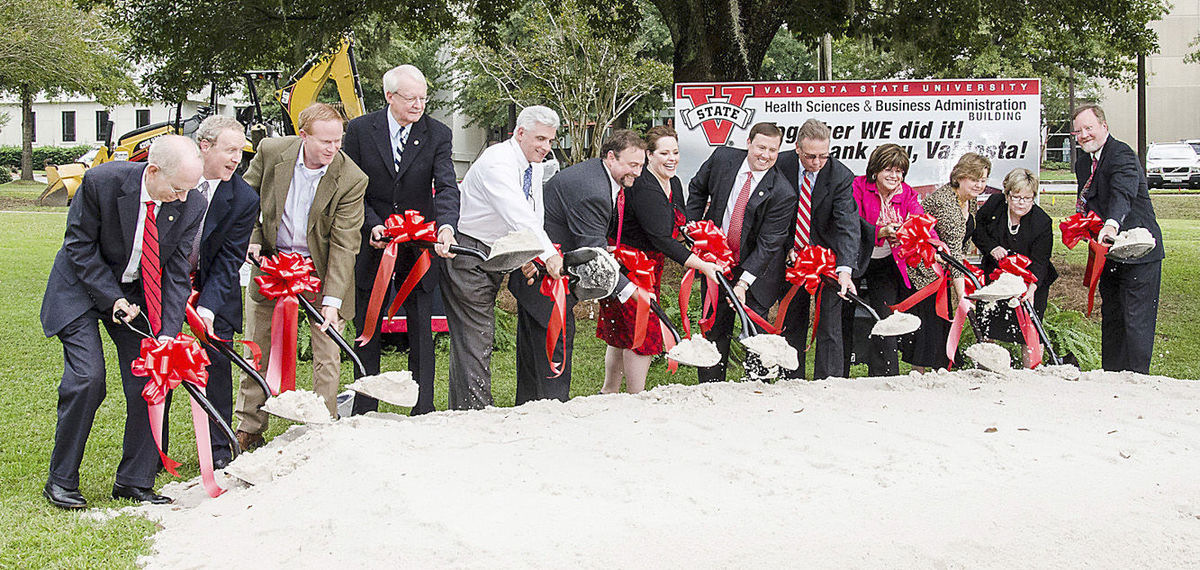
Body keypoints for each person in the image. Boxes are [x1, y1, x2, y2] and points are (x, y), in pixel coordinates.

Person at [40, 135, 206, 508]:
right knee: (87, 378)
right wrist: (110, 298)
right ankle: (61, 480)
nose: (182, 199)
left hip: (136, 294)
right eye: (177, 189)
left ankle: (134, 481)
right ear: (153, 171)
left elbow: (178, 272)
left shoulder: (192, 201)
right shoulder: (102, 181)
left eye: (189, 190)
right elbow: (78, 246)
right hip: (81, 287)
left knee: (152, 376)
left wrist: (167, 333)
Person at [233, 103, 367, 450]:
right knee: (257, 346)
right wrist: (252, 239)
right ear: (303, 135)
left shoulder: (351, 178)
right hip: (272, 266)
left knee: (328, 349)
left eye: (338, 141)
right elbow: (243, 202)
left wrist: (332, 302)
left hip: (320, 271)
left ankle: (322, 425)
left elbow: (344, 243)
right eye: (325, 141)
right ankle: (249, 427)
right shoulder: (271, 151)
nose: (332, 148)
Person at [344, 64, 460, 416]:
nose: (419, 105)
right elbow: (351, 187)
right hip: (375, 240)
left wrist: (446, 227)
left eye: (424, 98)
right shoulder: (361, 130)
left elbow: (446, 185)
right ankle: (365, 406)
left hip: (419, 243)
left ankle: (422, 406)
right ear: (390, 96)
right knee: (368, 324)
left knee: (422, 325)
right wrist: (373, 226)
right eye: (411, 98)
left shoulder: (437, 133)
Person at [508, 129, 644, 404]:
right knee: (552, 348)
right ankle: (552, 410)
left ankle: (530, 407)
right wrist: (631, 291)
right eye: (632, 165)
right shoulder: (592, 189)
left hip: (543, 270)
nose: (637, 172)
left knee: (536, 351)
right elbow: (593, 253)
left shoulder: (598, 176)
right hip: (543, 276)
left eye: (640, 165)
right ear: (610, 157)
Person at [443, 105, 564, 409]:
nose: (546, 147)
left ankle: (467, 408)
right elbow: (517, 212)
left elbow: (534, 213)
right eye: (540, 139)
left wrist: (527, 255)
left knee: (478, 337)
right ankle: (475, 411)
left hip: (500, 250)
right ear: (519, 133)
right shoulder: (497, 163)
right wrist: (548, 255)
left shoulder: (534, 164)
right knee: (477, 337)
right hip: (470, 252)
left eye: (550, 140)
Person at [596, 126, 720, 394]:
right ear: (649, 156)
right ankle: (635, 395)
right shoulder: (643, 187)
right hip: (630, 265)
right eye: (664, 153)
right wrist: (702, 265)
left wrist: (701, 240)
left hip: (653, 266)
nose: (671, 158)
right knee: (642, 331)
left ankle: (609, 392)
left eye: (675, 152)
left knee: (624, 333)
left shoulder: (673, 182)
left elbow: (680, 223)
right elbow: (660, 238)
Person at [177, 116, 260, 469]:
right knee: (160, 362)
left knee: (218, 360)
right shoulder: (175, 176)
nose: (235, 159)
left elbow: (230, 259)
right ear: (204, 146)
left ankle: (221, 448)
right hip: (164, 280)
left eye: (240, 151)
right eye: (229, 150)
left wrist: (207, 309)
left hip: (213, 283)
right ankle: (150, 450)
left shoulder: (243, 197)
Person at [685, 122, 796, 382]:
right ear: (748, 143)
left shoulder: (782, 192)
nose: (765, 155)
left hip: (757, 274)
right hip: (716, 264)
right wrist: (692, 228)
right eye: (761, 147)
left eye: (773, 150)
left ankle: (755, 392)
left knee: (755, 338)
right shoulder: (722, 158)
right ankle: (711, 388)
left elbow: (770, 243)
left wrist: (743, 283)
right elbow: (697, 189)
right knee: (714, 330)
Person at [1071, 103, 1164, 374]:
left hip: (1139, 251)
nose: (1084, 135)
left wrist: (1111, 226)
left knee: (1136, 321)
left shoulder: (1121, 154)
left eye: (1089, 128)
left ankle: (1137, 381)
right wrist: (1083, 226)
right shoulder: (1083, 162)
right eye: (1079, 131)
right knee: (1112, 317)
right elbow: (1088, 202)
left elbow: (1123, 194)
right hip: (1110, 254)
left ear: (1104, 127)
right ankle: (1111, 379)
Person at [774, 119, 860, 380]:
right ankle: (791, 379)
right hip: (788, 255)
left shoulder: (841, 175)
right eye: (811, 156)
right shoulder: (780, 165)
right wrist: (788, 246)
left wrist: (845, 270)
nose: (817, 162)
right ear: (797, 148)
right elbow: (771, 214)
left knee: (830, 325)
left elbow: (847, 224)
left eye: (823, 156)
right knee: (792, 320)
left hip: (828, 257)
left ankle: (829, 382)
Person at [902, 152, 989, 371]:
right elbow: (954, 254)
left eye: (983, 179)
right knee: (928, 330)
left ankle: (940, 373)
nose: (979, 184)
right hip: (924, 274)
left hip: (942, 273)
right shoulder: (948, 205)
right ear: (959, 177)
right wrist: (963, 298)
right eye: (974, 179)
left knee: (940, 328)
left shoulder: (968, 200)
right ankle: (918, 377)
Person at [845, 143, 926, 376]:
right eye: (888, 170)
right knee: (844, 314)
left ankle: (885, 374)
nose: (894, 176)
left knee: (886, 317)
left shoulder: (908, 193)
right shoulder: (858, 186)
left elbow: (920, 223)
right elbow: (852, 222)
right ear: (875, 170)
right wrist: (879, 231)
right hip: (855, 258)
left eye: (899, 171)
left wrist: (935, 244)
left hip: (887, 263)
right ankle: (838, 372)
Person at [973, 167, 1058, 367]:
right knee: (987, 324)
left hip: (1030, 279)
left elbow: (1041, 260)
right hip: (996, 277)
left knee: (1029, 329)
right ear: (1007, 194)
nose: (1021, 203)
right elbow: (978, 231)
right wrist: (991, 247)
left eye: (1027, 198)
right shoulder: (994, 206)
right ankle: (987, 367)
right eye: (1016, 197)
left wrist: (1032, 288)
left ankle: (1032, 369)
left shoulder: (1042, 222)